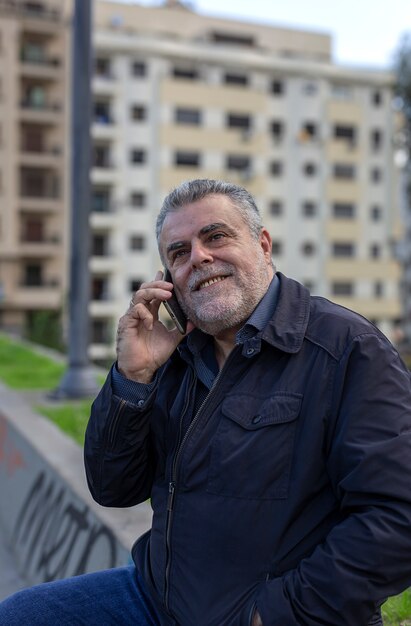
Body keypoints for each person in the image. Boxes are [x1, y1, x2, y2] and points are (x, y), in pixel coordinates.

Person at [1, 178, 411, 626]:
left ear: (263, 244)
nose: (198, 257)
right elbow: (112, 488)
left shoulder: (347, 348)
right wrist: (133, 377)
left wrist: (274, 615)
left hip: (273, 616)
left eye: (215, 236)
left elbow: (397, 518)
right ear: (168, 280)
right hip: (156, 599)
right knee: (21, 615)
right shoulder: (174, 353)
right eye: (178, 252)